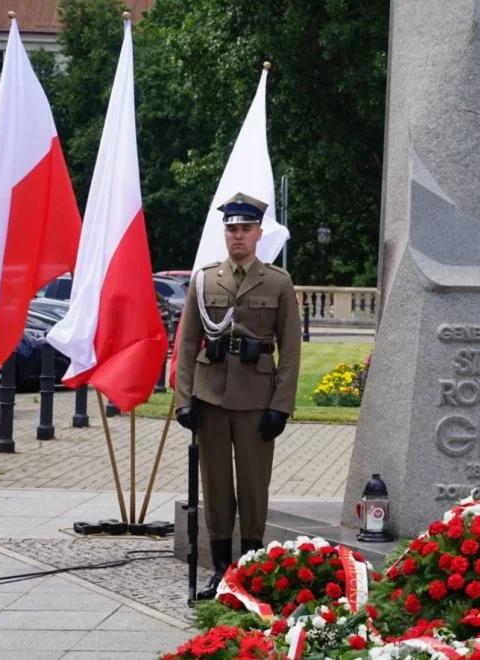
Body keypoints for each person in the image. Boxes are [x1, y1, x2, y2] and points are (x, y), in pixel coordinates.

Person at [174, 192, 302, 600]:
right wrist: (183, 399)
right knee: (215, 486)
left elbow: (291, 351)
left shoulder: (278, 283)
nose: (238, 236)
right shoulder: (204, 279)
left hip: (255, 401)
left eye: (245, 229)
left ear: (258, 234)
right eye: (232, 229)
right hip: (210, 398)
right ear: (225, 233)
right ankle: (221, 570)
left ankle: (250, 568)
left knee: (252, 486)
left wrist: (281, 405)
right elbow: (187, 344)